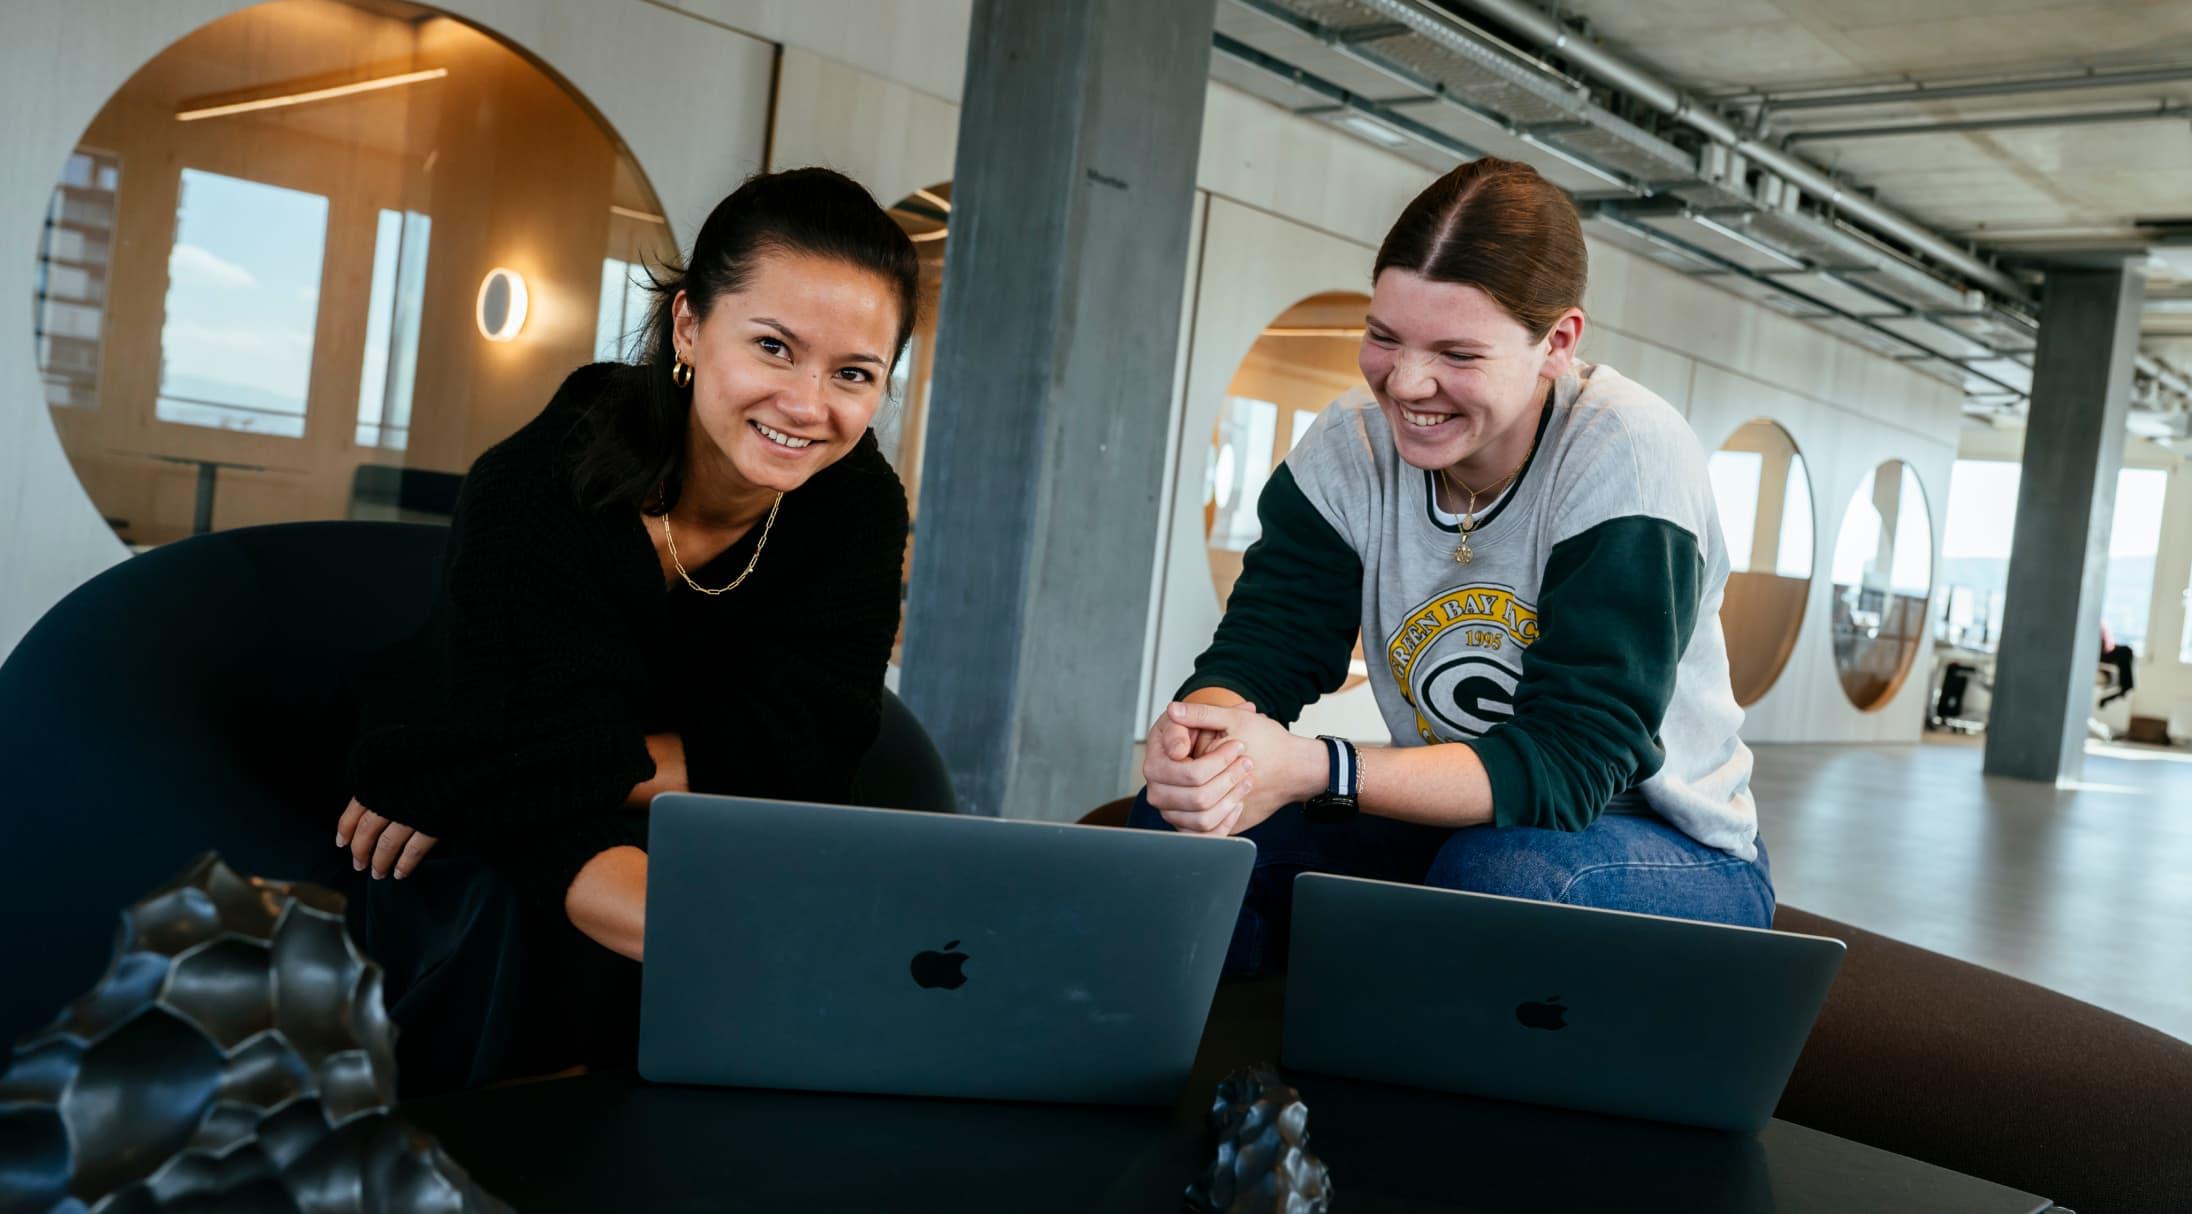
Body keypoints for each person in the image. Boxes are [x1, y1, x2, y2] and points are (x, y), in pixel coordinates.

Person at [335, 167, 916, 1091]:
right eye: (773, 347)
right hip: (458, 822)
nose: (811, 406)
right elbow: (542, 771)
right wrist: (531, 770)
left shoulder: (856, 504)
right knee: (512, 902)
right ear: (689, 327)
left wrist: (493, 770)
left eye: (855, 373)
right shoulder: (539, 484)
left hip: (490, 783)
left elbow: (800, 757)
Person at [1134, 157, 1771, 973]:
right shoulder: (1350, 444)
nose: (1406, 382)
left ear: (1558, 344)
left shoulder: (1628, 454)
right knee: (1179, 834)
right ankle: (1228, 1083)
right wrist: (1205, 743)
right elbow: (1267, 646)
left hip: (1662, 847)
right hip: (1461, 825)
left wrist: (1317, 766)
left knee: (1495, 875)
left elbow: (1575, 762)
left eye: (1457, 354)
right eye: (1383, 337)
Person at [2099, 620, 2135, 708]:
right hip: (2098, 652)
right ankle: (2126, 687)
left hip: (2105, 650)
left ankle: (2125, 687)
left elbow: (2107, 643)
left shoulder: (2100, 623)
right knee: (2125, 652)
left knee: (2127, 651)